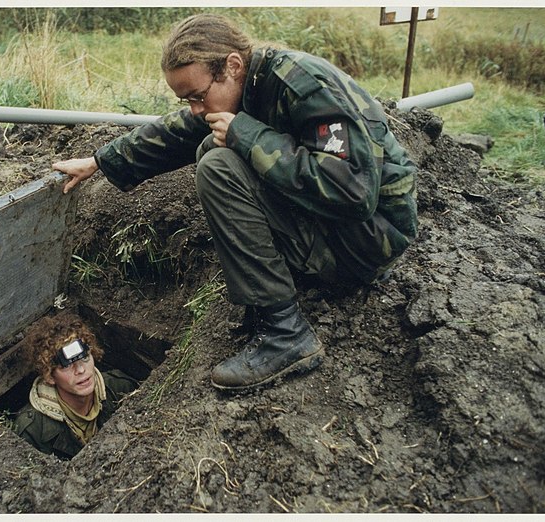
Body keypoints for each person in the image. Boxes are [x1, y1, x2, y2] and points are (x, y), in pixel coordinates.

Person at [53, 14, 418, 392]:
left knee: (219, 163)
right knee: (215, 143)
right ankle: (284, 295)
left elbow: (353, 190)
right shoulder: (249, 86)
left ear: (232, 65)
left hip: (369, 240)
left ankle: (285, 333)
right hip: (349, 230)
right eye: (186, 99)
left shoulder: (304, 85)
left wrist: (247, 134)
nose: (196, 107)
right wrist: (101, 161)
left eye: (198, 96)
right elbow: (180, 129)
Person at [13, 312, 137, 459]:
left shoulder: (120, 388)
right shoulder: (32, 430)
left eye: (84, 357)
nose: (81, 370)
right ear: (49, 376)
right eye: (66, 366)